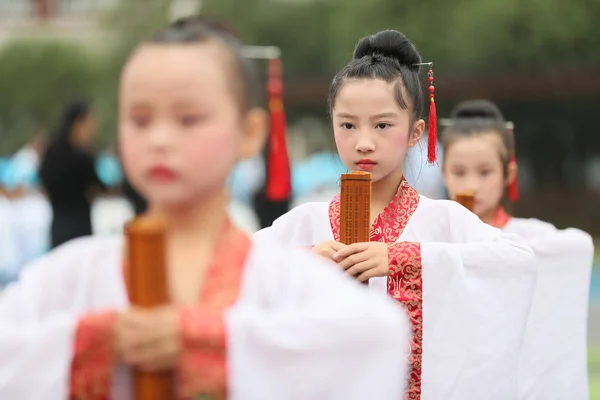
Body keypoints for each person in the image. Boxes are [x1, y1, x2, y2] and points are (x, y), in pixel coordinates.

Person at [0, 17, 412, 399]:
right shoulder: (71, 274)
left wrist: (203, 339)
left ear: (250, 132)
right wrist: (98, 340)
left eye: (189, 118)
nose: (159, 139)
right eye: (140, 120)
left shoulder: (282, 276)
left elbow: (376, 338)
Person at [253, 30, 538, 400]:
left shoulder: (443, 219)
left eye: (383, 125)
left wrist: (405, 258)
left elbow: (519, 262)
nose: (363, 142)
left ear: (416, 131)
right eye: (348, 125)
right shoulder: (304, 221)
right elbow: (237, 267)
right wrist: (303, 262)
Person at [441, 99, 594, 400]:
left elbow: (577, 249)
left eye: (484, 172)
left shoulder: (534, 238)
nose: (471, 184)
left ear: (508, 174)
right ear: (443, 172)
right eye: (459, 172)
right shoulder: (429, 238)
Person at [39, 101, 106, 248]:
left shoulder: (52, 151)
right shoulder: (81, 155)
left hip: (60, 223)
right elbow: (96, 185)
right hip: (77, 223)